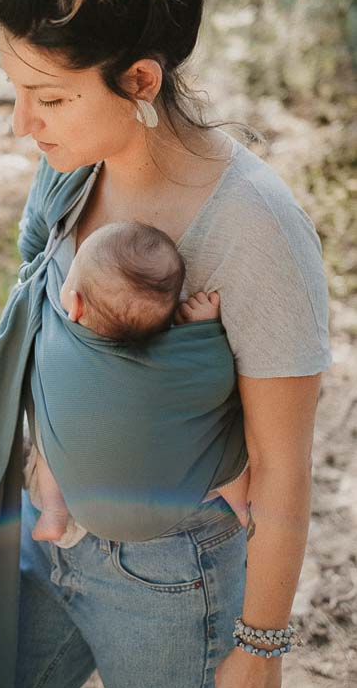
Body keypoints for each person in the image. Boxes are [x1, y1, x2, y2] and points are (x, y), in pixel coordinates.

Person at [0, 0, 332, 688]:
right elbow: (49, 318)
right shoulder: (74, 168)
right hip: (43, 538)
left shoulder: (251, 229)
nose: (19, 124)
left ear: (139, 79)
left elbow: (282, 471)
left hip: (170, 582)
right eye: (15, 91)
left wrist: (260, 649)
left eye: (50, 98)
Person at [28, 220, 250, 545]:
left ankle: (53, 512)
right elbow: (218, 378)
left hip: (84, 502)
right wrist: (204, 328)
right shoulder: (177, 371)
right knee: (221, 429)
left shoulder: (56, 343)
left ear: (75, 305)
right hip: (168, 510)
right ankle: (243, 504)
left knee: (45, 436)